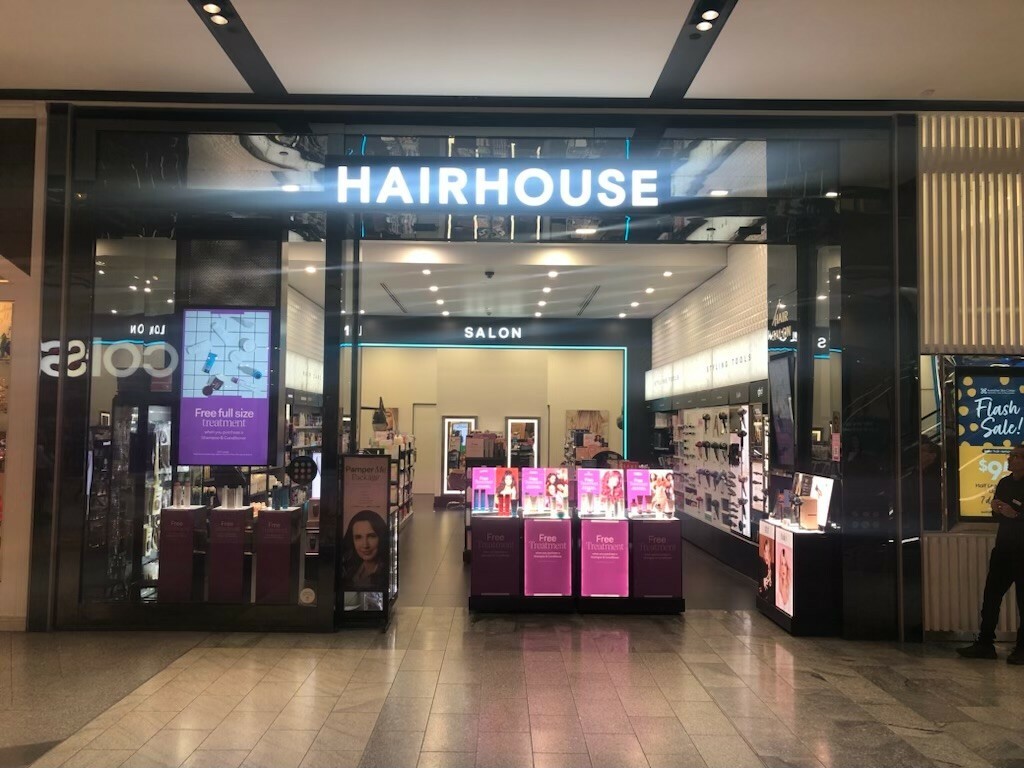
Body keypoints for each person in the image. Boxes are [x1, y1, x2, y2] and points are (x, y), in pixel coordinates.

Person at [958, 444, 1024, 665]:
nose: (1010, 459)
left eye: (1016, 456)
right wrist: (997, 510)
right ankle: (985, 643)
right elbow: (999, 515)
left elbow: (1015, 514)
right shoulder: (1005, 482)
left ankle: (1022, 648)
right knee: (991, 596)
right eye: (1010, 455)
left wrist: (1016, 515)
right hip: (1004, 548)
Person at [341, 510, 388, 590]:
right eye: (358, 537)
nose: (365, 545)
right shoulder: (348, 569)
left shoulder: (386, 573)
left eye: (371, 536)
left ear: (381, 537)